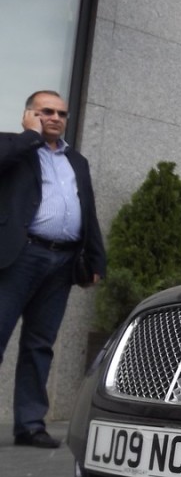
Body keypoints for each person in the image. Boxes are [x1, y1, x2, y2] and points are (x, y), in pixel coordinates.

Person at [0, 91, 106, 448]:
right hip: (18, 258)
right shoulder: (12, 146)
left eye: (62, 113)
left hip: (62, 264)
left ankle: (29, 425)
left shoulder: (77, 160)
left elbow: (87, 211)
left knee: (40, 345)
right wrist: (29, 136)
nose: (56, 118)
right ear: (29, 114)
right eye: (46, 112)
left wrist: (95, 260)